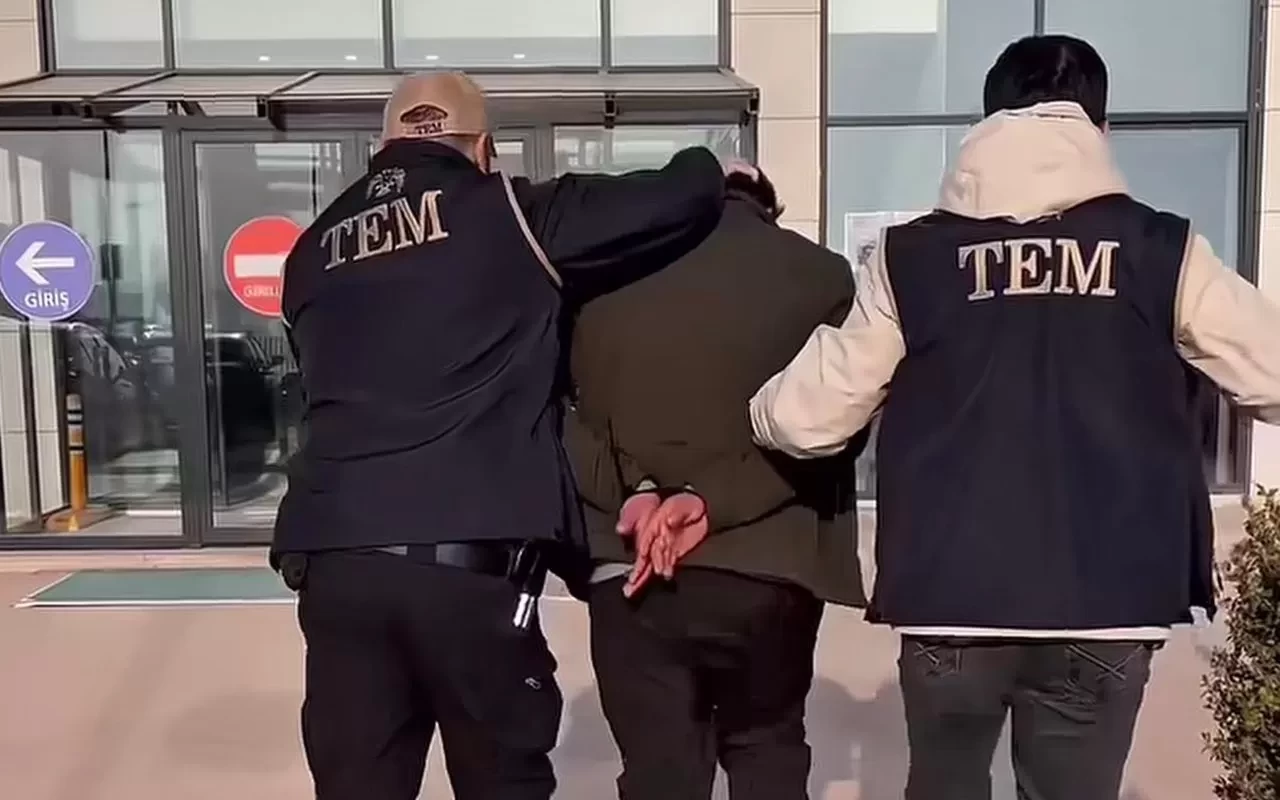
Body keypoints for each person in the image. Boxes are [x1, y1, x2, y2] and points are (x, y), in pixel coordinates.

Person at [748, 34, 1280, 800]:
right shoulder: (1162, 249)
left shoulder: (910, 257)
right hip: (1107, 603)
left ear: (987, 121)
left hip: (950, 599)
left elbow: (809, 420)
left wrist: (754, 412)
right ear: (1099, 128)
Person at [271, 71, 742, 800]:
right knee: (502, 779)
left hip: (338, 566)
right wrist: (716, 169)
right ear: (484, 149)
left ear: (381, 149)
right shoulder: (509, 213)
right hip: (466, 568)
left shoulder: (310, 252)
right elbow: (671, 198)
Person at [562, 169, 867, 800]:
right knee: (767, 751)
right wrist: (711, 499)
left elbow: (556, 417)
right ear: (768, 208)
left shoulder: (602, 274)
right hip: (770, 566)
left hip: (629, 564)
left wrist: (636, 492)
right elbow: (835, 428)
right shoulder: (823, 276)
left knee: (659, 773)